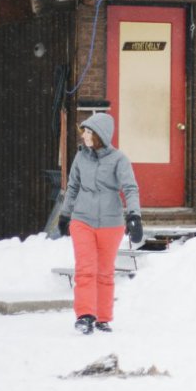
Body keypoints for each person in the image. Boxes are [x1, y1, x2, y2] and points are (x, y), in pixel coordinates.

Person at [57, 112, 143, 334]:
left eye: (88, 132)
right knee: (85, 269)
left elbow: (130, 188)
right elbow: (73, 187)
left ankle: (103, 318)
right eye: (84, 131)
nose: (84, 136)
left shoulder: (119, 159)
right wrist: (65, 215)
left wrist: (134, 216)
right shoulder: (81, 157)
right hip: (82, 220)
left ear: (100, 135)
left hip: (110, 223)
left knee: (104, 272)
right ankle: (85, 316)